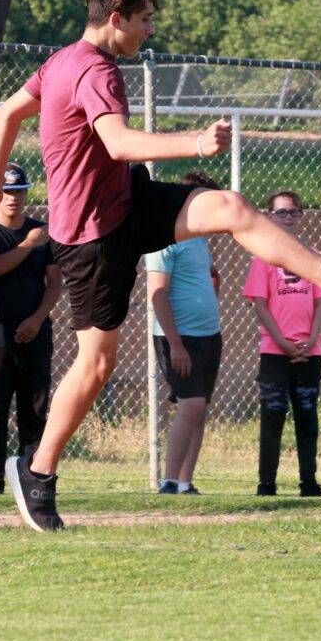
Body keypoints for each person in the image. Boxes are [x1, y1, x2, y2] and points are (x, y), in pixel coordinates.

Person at [0, 0, 321, 532]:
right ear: (116, 18)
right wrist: (193, 142)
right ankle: (36, 471)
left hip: (126, 204)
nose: (149, 30)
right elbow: (119, 142)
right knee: (97, 363)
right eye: (145, 19)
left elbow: (7, 112)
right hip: (91, 235)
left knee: (230, 208)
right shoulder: (94, 70)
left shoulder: (59, 61)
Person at [0, 162, 62, 495]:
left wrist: (37, 319)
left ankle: (33, 477)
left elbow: (54, 283)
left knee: (34, 409)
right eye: (6, 192)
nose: (13, 199)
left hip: (35, 333)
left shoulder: (39, 231)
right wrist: (26, 245)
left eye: (19, 192)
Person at [243, 190, 321, 497]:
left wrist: (311, 338)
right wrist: (282, 341)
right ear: (269, 216)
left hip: (309, 351)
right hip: (275, 352)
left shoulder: (312, 256)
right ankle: (267, 484)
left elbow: (320, 303)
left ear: (301, 215)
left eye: (293, 212)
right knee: (273, 415)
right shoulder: (263, 256)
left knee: (307, 415)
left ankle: (309, 482)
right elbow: (260, 305)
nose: (288, 217)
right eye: (281, 212)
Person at [145, 171, 224, 495]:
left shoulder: (200, 239)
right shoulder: (163, 238)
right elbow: (158, 293)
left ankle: (185, 482)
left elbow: (204, 278)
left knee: (199, 407)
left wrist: (210, 287)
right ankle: (168, 481)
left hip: (209, 335)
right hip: (178, 337)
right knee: (191, 404)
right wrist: (175, 344)